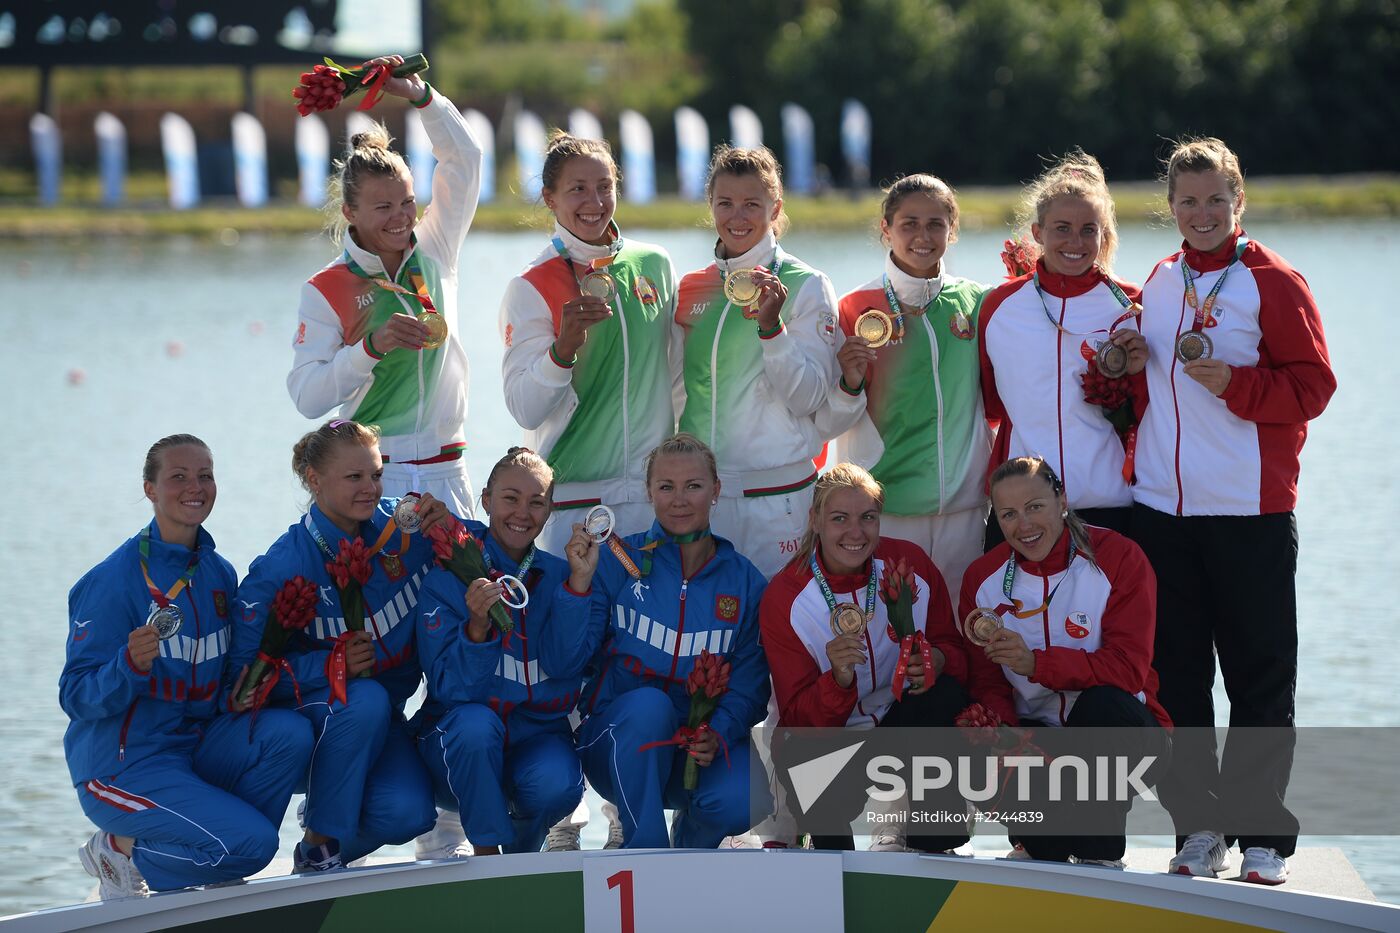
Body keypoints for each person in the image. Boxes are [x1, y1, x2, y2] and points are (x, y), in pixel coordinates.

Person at [1131, 137, 1335, 884]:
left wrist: (1239, 386)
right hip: (1162, 511)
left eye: (1216, 198)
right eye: (1188, 200)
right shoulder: (1156, 279)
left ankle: (1265, 838)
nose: (1202, 212)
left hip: (1250, 511)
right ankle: (1198, 829)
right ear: (1172, 207)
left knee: (1258, 679)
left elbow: (1314, 387)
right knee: (1175, 678)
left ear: (1238, 200)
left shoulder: (1274, 280)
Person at [61, 435, 313, 898]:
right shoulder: (111, 582)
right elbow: (75, 695)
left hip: (192, 752)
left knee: (289, 736)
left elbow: (215, 681)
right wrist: (127, 666)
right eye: (178, 477)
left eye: (204, 476)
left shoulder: (218, 573)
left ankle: (211, 855)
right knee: (255, 846)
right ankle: (121, 849)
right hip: (121, 766)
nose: (194, 486)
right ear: (150, 489)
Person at [230, 420, 453, 871]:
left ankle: (320, 848)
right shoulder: (280, 567)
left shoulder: (403, 530)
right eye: (355, 477)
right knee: (364, 696)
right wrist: (329, 665)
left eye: (375, 474)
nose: (371, 488)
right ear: (314, 479)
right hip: (304, 728)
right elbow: (240, 686)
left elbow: (480, 550)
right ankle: (320, 838)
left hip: (379, 717)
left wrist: (451, 528)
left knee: (410, 814)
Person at [759, 463, 1009, 853]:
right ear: (815, 520)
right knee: (800, 751)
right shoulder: (786, 595)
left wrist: (938, 661)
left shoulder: (910, 564)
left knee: (942, 697)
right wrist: (838, 681)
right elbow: (796, 717)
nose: (855, 533)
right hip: (831, 739)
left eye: (868, 518)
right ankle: (829, 848)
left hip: (899, 724)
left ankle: (935, 844)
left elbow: (957, 652)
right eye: (839, 518)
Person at [287, 55, 483, 519]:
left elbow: (466, 159)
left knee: (467, 594)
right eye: (383, 208)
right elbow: (307, 397)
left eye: (408, 202)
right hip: (376, 477)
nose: (401, 218)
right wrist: (370, 347)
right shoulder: (326, 287)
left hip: (446, 472)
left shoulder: (435, 247)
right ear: (350, 213)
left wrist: (420, 96)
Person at [558, 434, 771, 848]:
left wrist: (720, 732)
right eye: (666, 487)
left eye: (693, 486)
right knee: (648, 706)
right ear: (649, 492)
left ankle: (691, 848)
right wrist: (578, 586)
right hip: (618, 747)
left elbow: (750, 686)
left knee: (748, 798)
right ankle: (646, 851)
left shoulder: (744, 582)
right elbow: (570, 661)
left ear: (716, 491)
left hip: (697, 752)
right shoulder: (618, 561)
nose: (679, 500)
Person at [961, 456, 1170, 866]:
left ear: (1062, 500)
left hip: (1120, 733)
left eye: (1035, 506)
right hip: (1039, 740)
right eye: (1008, 514)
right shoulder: (982, 578)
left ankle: (1102, 853)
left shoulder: (1118, 557)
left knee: (1102, 706)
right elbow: (987, 683)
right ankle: (1034, 837)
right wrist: (1008, 743)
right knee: (1047, 851)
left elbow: (1128, 670)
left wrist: (1036, 664)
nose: (1024, 525)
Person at [501, 132, 677, 555]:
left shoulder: (654, 263)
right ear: (549, 198)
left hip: (654, 497)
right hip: (574, 501)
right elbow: (524, 408)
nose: (594, 202)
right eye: (577, 189)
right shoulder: (530, 284)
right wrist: (562, 351)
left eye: (604, 188)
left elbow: (677, 379)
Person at [673, 144, 840, 579]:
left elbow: (809, 397)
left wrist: (771, 330)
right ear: (710, 205)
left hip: (778, 499)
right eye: (725, 203)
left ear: (776, 207)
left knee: (780, 639)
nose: (737, 217)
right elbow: (676, 393)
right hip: (704, 500)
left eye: (752, 204)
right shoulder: (691, 288)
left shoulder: (807, 284)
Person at [818, 174, 992, 591]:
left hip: (966, 507)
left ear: (953, 229)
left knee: (960, 625)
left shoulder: (977, 301)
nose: (922, 235)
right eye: (909, 223)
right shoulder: (853, 307)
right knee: (893, 627)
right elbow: (829, 417)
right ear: (886, 228)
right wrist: (850, 381)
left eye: (936, 223)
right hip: (887, 506)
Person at [414, 448, 589, 854]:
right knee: (475, 726)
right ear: (486, 499)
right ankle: (488, 852)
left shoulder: (563, 575)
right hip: (457, 746)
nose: (522, 513)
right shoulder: (448, 575)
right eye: (510, 498)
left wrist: (576, 590)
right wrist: (477, 628)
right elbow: (448, 690)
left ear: (550, 510)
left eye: (537, 502)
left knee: (557, 784)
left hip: (536, 737)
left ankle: (522, 855)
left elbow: (566, 666)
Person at [977, 151, 1148, 545]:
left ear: (1104, 233)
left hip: (1109, 502)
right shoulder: (999, 306)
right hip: (1021, 507)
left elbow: (1154, 412)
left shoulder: (1132, 305)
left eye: (1089, 229)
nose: (1076, 241)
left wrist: (1135, 375)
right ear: (1037, 233)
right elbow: (992, 404)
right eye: (1062, 228)